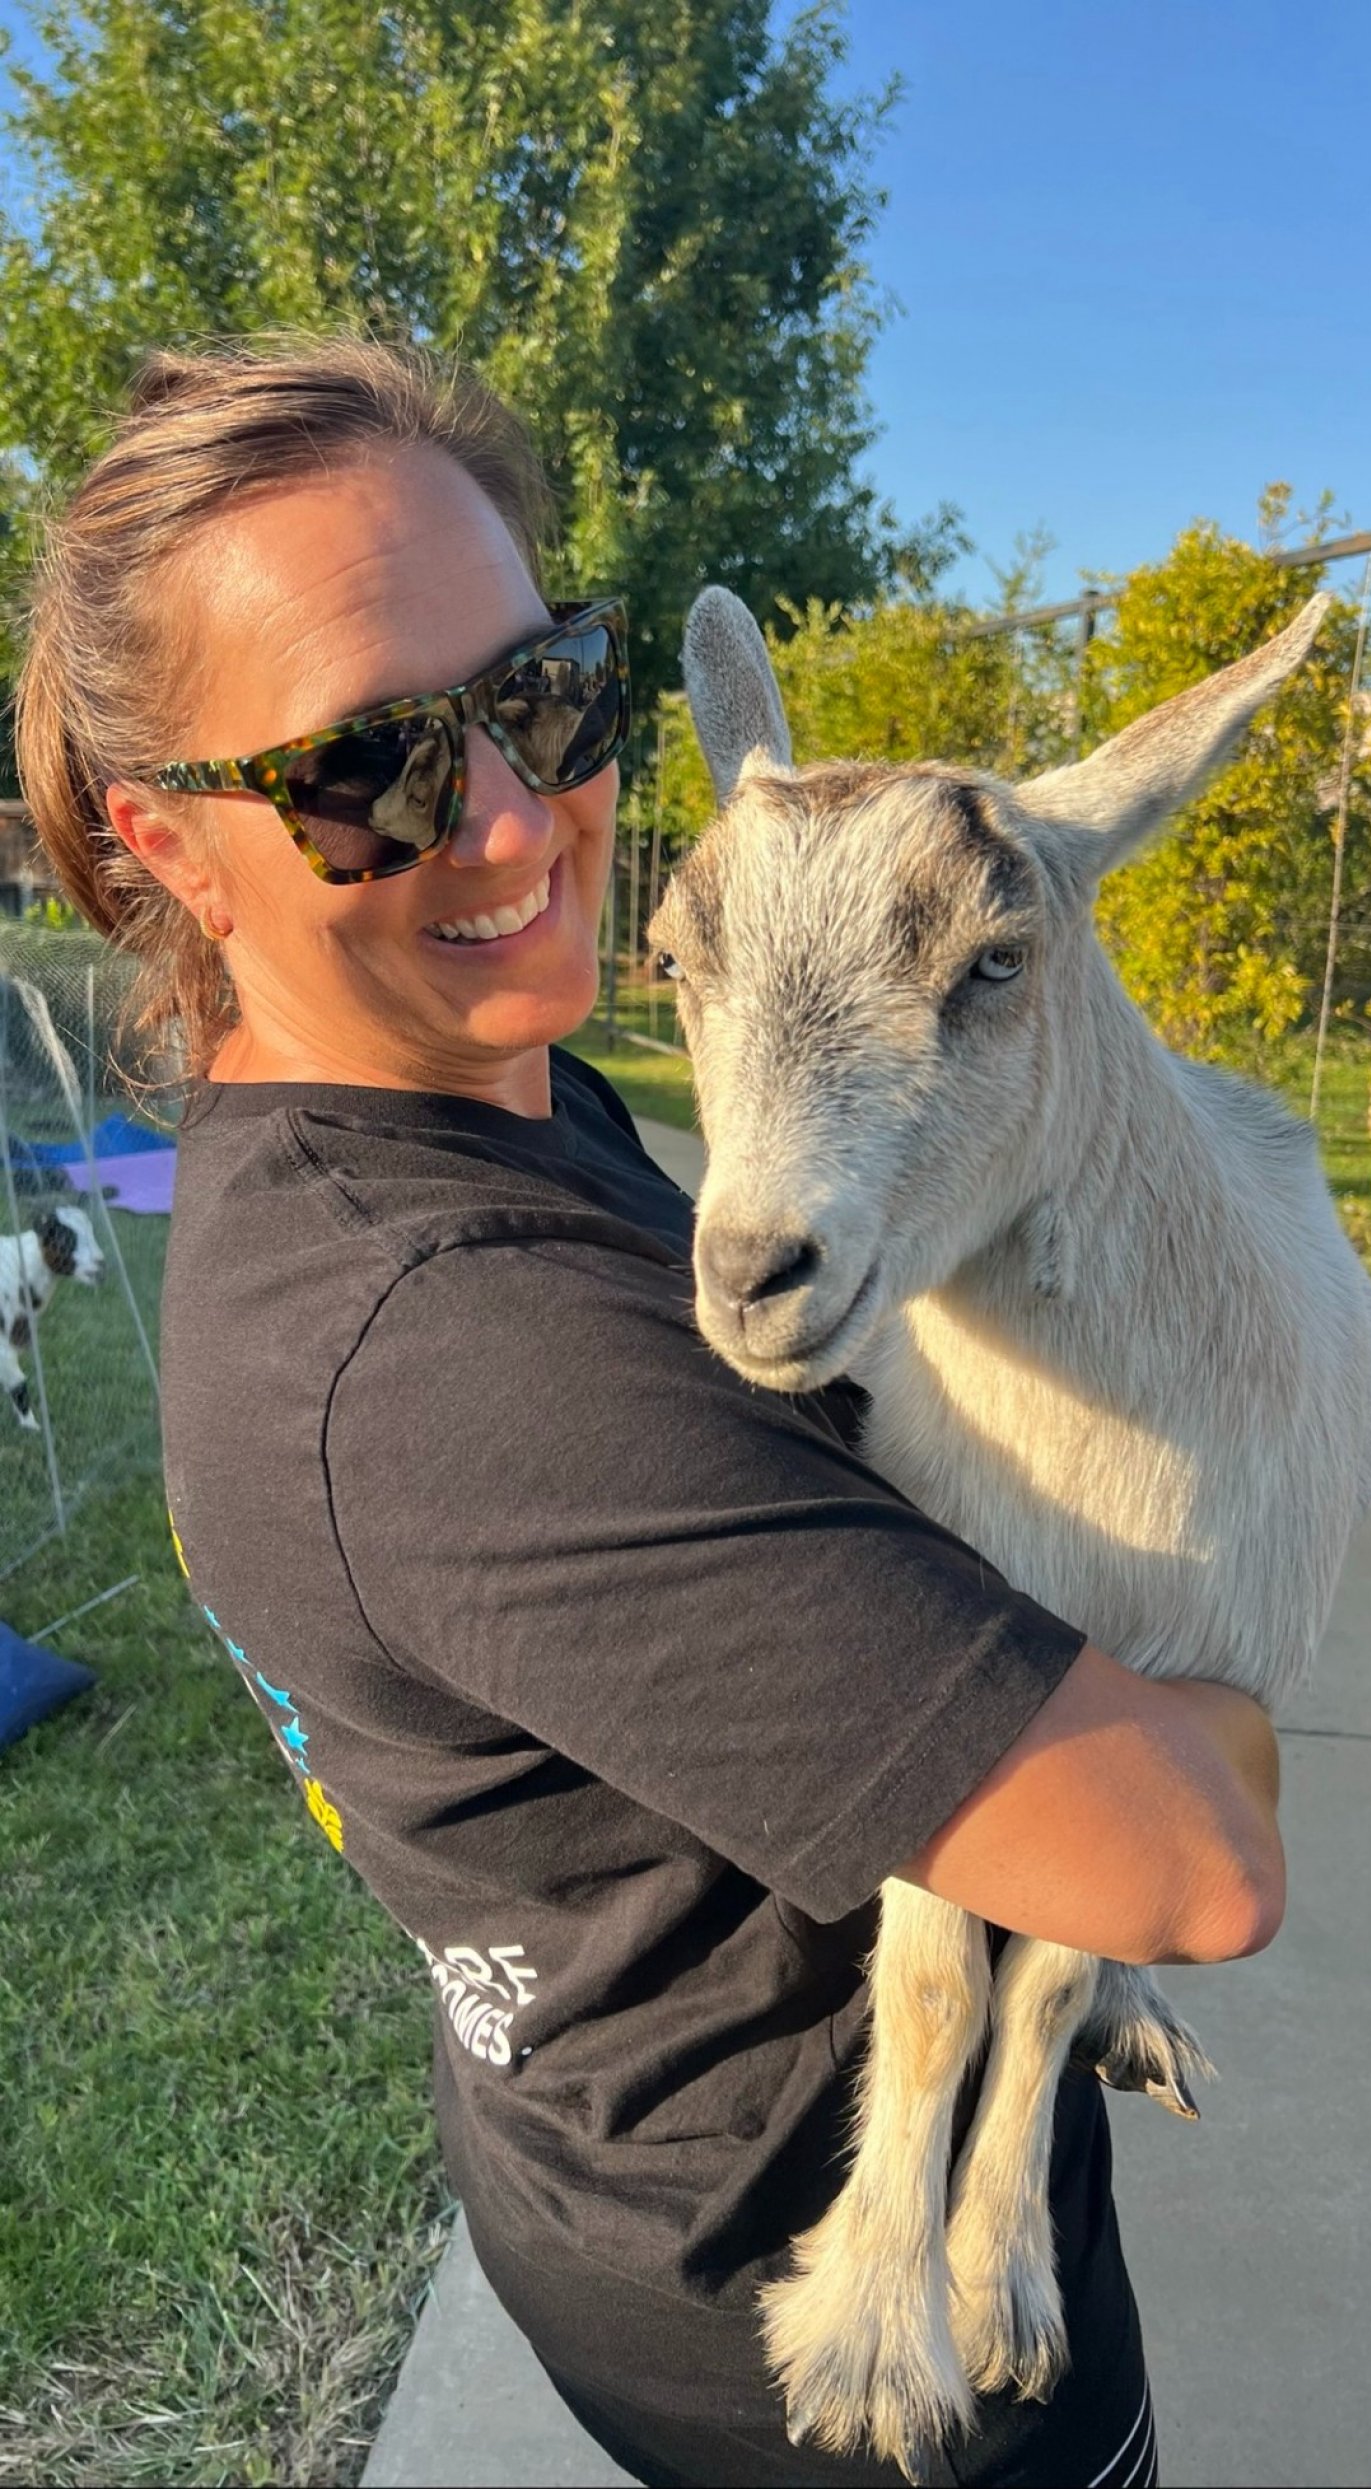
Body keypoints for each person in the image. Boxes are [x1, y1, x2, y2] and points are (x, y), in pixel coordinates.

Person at [17, 338, 1283, 2489]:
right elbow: (1187, 1857)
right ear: (167, 845)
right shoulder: (440, 1357)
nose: (511, 816)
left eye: (540, 698)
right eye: (368, 771)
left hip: (596, 2151)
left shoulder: (466, 1115)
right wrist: (1215, 1650)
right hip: (829, 2324)